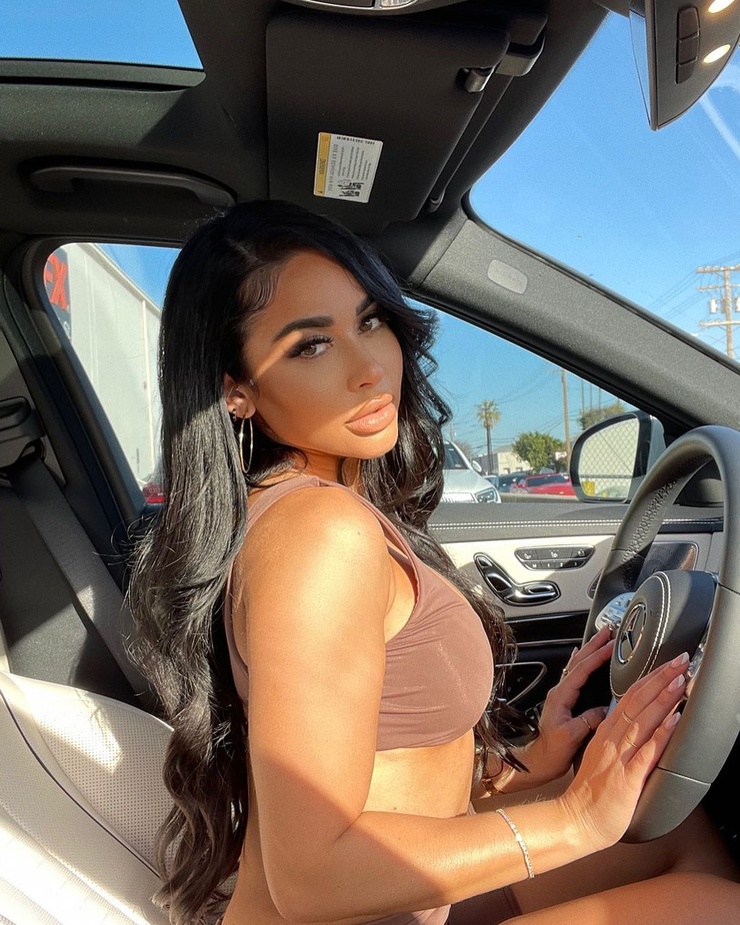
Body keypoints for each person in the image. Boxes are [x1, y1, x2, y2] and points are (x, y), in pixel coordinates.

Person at [129, 200, 740, 925]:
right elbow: (310, 874)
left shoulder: (305, 508)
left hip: (404, 900)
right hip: (352, 903)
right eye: (310, 346)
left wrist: (522, 766)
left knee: (681, 838)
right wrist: (575, 816)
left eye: (369, 322)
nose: (369, 368)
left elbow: (382, 768)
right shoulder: (319, 534)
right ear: (237, 389)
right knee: (718, 905)